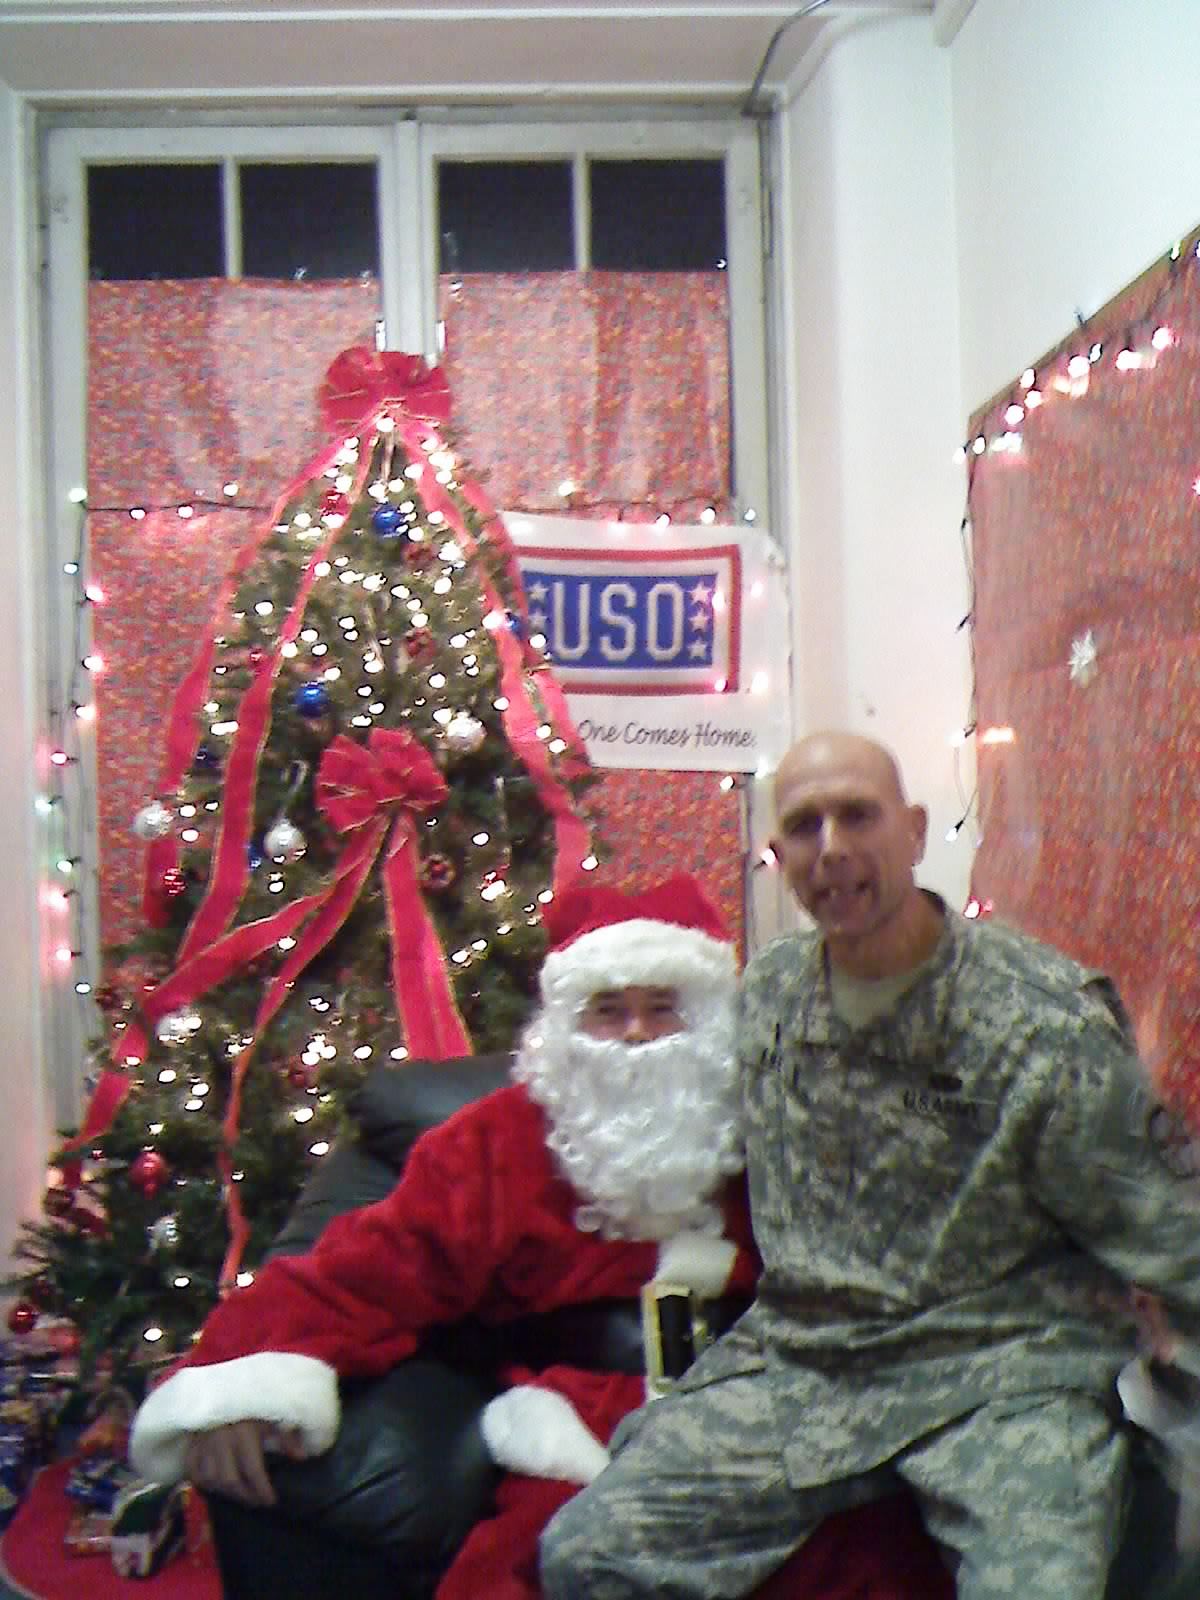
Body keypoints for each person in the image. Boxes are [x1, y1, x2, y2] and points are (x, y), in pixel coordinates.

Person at [130, 873, 950, 1599]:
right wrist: (237, 1378)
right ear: (566, 1029)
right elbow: (367, 1267)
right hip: (583, 1439)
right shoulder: (498, 1143)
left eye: (664, 1008)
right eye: (608, 1011)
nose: (637, 1035)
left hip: (774, 1417)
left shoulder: (780, 1124)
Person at [539, 730, 1200, 1600]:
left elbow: (1162, 1221)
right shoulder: (771, 992)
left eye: (858, 816)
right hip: (810, 1361)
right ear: (779, 855)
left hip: (1001, 1370)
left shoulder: (1042, 1019)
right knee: (585, 1554)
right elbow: (653, 1106)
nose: (832, 848)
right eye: (804, 826)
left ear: (915, 831)